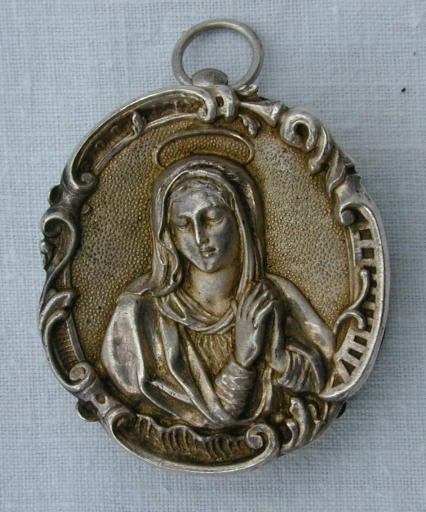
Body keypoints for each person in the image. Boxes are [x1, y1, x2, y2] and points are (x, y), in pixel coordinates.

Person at [101, 156, 336, 429]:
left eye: (212, 218)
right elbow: (213, 416)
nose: (199, 237)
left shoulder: (274, 297)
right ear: (168, 235)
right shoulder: (138, 313)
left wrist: (280, 360)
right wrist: (242, 359)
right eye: (183, 225)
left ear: (240, 220)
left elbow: (327, 371)